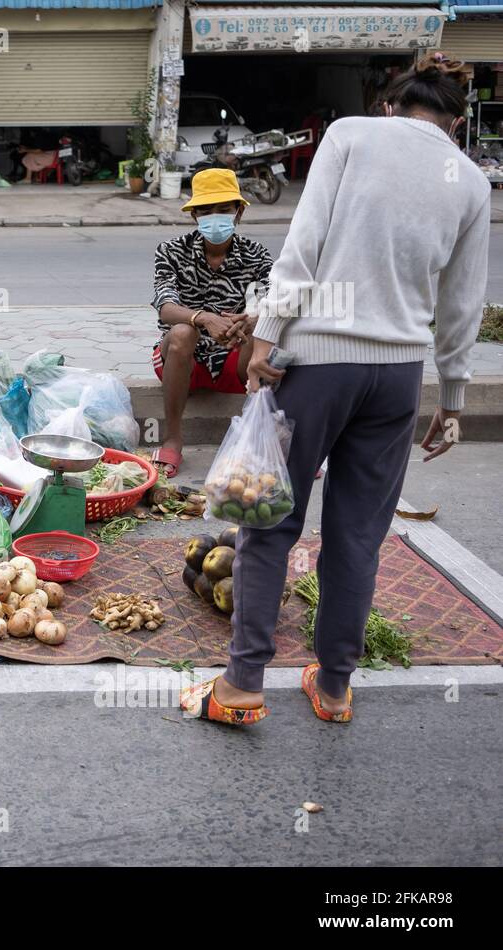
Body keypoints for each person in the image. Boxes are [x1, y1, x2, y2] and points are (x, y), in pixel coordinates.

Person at [180, 53, 489, 726]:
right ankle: (335, 688)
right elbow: (463, 304)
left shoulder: (350, 134)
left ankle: (241, 685)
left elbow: (305, 243)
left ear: (389, 104)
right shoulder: (469, 181)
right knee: (356, 537)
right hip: (398, 377)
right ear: (456, 123)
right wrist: (455, 397)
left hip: (319, 364)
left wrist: (267, 340)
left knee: (269, 524)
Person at [149, 168, 274, 477]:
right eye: (205, 211)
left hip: (236, 361)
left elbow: (277, 299)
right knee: (181, 332)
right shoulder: (170, 251)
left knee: (266, 328)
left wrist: (250, 320)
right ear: (194, 216)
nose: (213, 217)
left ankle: (261, 438)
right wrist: (203, 318)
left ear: (239, 211)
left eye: (223, 210)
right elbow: (165, 306)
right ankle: (173, 439)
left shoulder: (256, 254)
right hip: (181, 362)